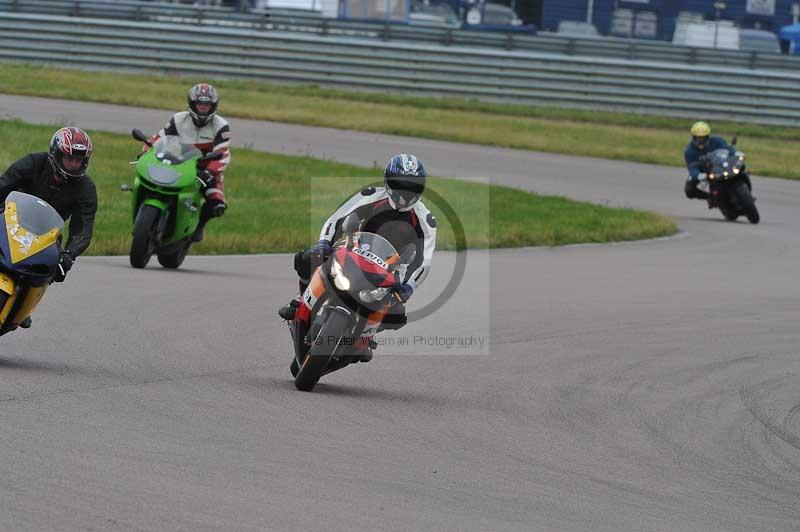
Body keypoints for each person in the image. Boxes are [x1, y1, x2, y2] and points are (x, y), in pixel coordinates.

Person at [279, 153, 437, 362]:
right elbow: (336, 219)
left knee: (397, 311)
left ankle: (364, 338)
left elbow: (425, 262)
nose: (405, 194)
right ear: (388, 182)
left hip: (392, 268)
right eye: (400, 186)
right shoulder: (370, 195)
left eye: (412, 188)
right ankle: (302, 299)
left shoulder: (426, 220)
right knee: (309, 257)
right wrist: (324, 243)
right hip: (354, 247)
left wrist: (408, 287)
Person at [0, 126, 98, 327]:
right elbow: (4, 185)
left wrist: (68, 255)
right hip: (10, 220)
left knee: (54, 267)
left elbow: (83, 228)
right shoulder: (34, 163)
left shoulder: (86, 188)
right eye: (69, 158)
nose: (73, 165)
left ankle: (24, 305)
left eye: (78, 160)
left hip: (47, 236)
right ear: (56, 153)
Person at [144, 83, 230, 242]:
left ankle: (199, 226)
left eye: (207, 105)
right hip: (177, 163)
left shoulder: (221, 126)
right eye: (200, 104)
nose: (203, 108)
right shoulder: (178, 119)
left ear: (213, 106)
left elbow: (223, 153)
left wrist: (210, 171)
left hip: (205, 170)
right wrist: (146, 151)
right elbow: (160, 137)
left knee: (217, 204)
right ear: (192, 103)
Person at [684, 121, 751, 203]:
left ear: (708, 136)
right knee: (689, 190)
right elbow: (691, 167)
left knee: (741, 169)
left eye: (703, 137)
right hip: (705, 171)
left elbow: (727, 147)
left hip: (721, 165)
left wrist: (736, 152)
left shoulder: (717, 140)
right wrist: (698, 175)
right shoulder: (689, 151)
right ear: (693, 137)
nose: (701, 140)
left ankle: (747, 192)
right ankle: (710, 197)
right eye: (698, 138)